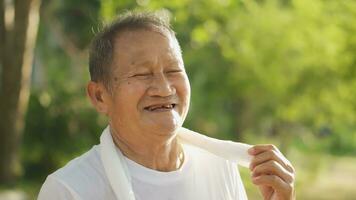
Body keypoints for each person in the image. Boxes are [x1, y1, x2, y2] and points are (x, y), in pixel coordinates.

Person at [38, 11, 295, 200]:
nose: (164, 88)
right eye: (141, 74)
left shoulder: (219, 167)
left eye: (173, 70)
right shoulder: (70, 190)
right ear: (99, 96)